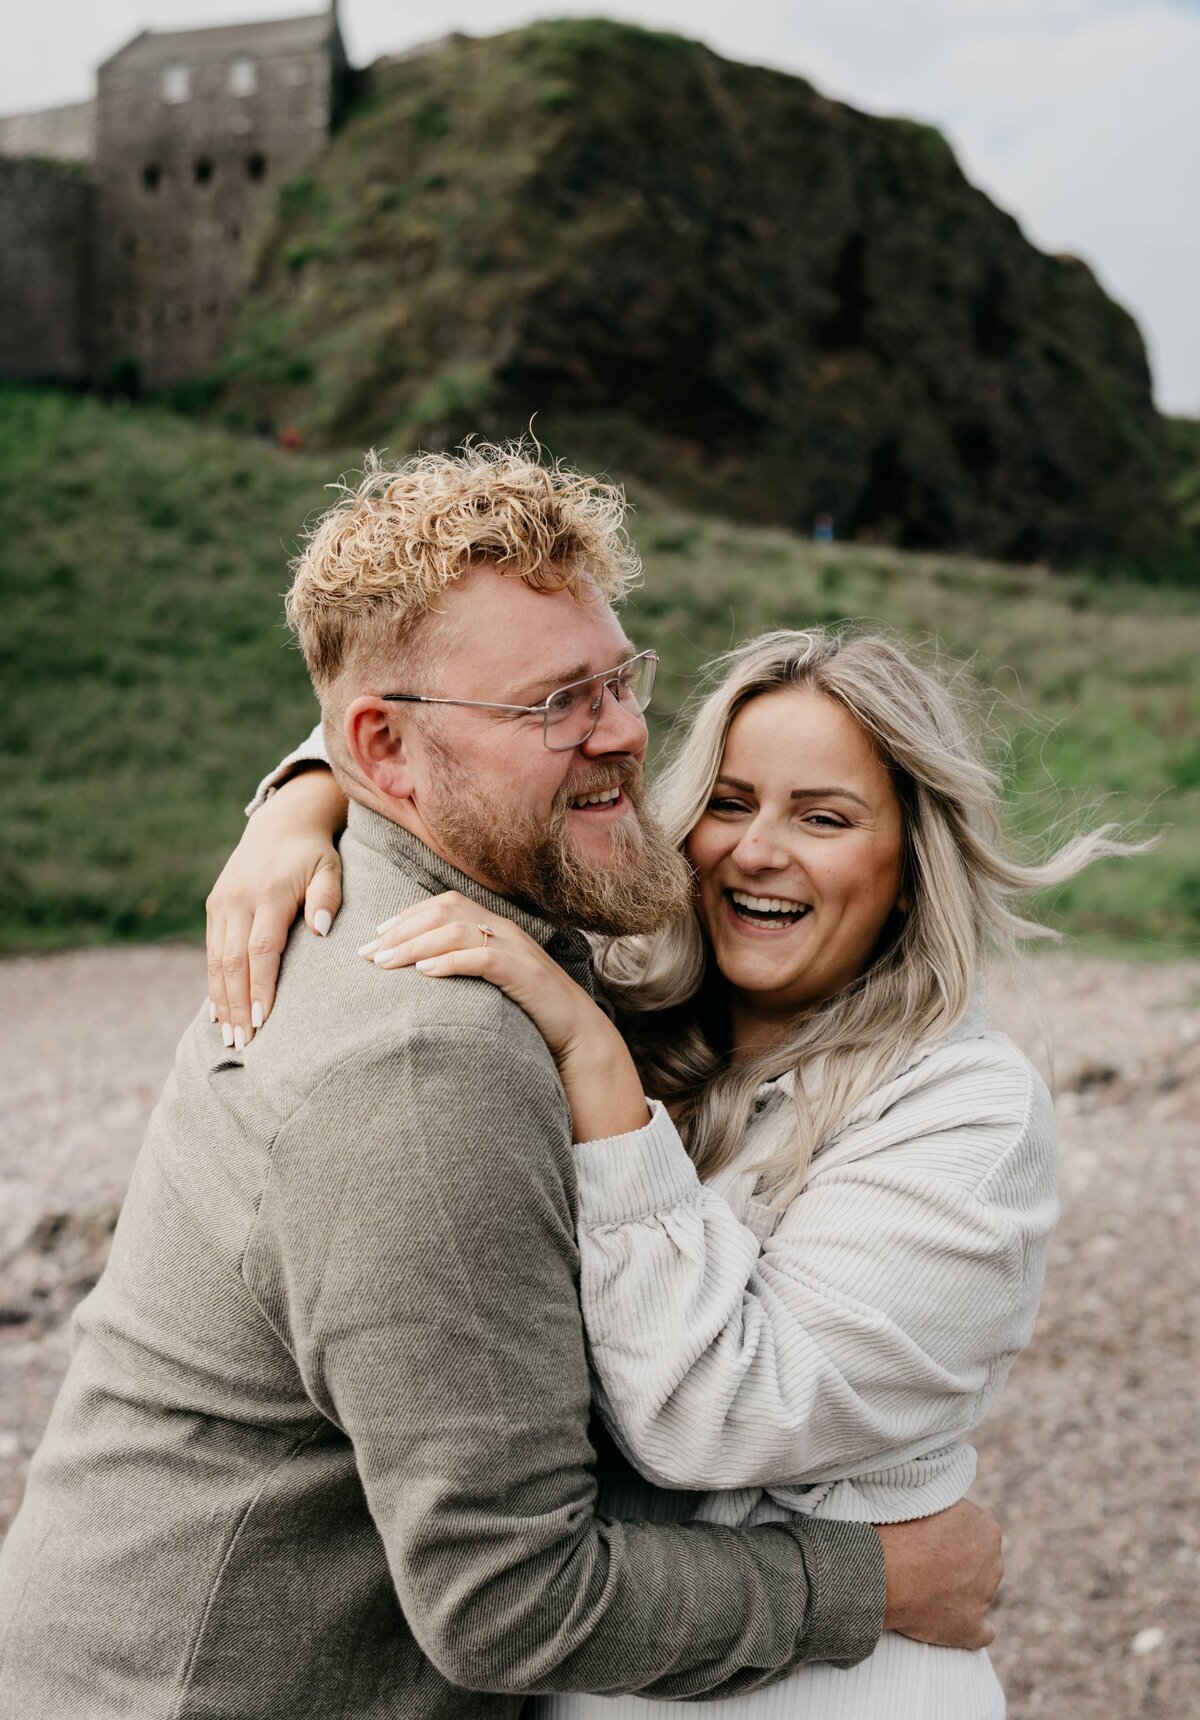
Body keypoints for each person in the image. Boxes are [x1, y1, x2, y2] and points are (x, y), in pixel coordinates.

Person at [0, 448, 1000, 1720]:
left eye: (620, 678)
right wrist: (872, 1581)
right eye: (557, 704)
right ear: (386, 750)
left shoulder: (444, 884)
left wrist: (305, 790)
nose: (627, 733)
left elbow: (409, 710)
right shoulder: (430, 1056)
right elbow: (513, 1600)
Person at [213, 615, 1137, 1718]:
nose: (757, 850)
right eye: (732, 803)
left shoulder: (966, 1113)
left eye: (825, 817)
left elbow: (711, 1418)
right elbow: (449, 741)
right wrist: (304, 797)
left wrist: (599, 1078)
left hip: (836, 1689)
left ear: (908, 866)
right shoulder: (632, 989)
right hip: (610, 1669)